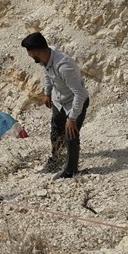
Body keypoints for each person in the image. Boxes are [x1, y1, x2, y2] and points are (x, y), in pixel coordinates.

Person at [21, 32, 90, 179]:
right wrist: (47, 93)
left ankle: (70, 171)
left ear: (36, 52)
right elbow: (47, 73)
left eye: (29, 52)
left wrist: (72, 118)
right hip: (59, 101)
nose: (28, 55)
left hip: (74, 103)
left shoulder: (64, 66)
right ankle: (56, 160)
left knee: (70, 136)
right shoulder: (47, 55)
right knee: (56, 132)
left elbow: (80, 93)